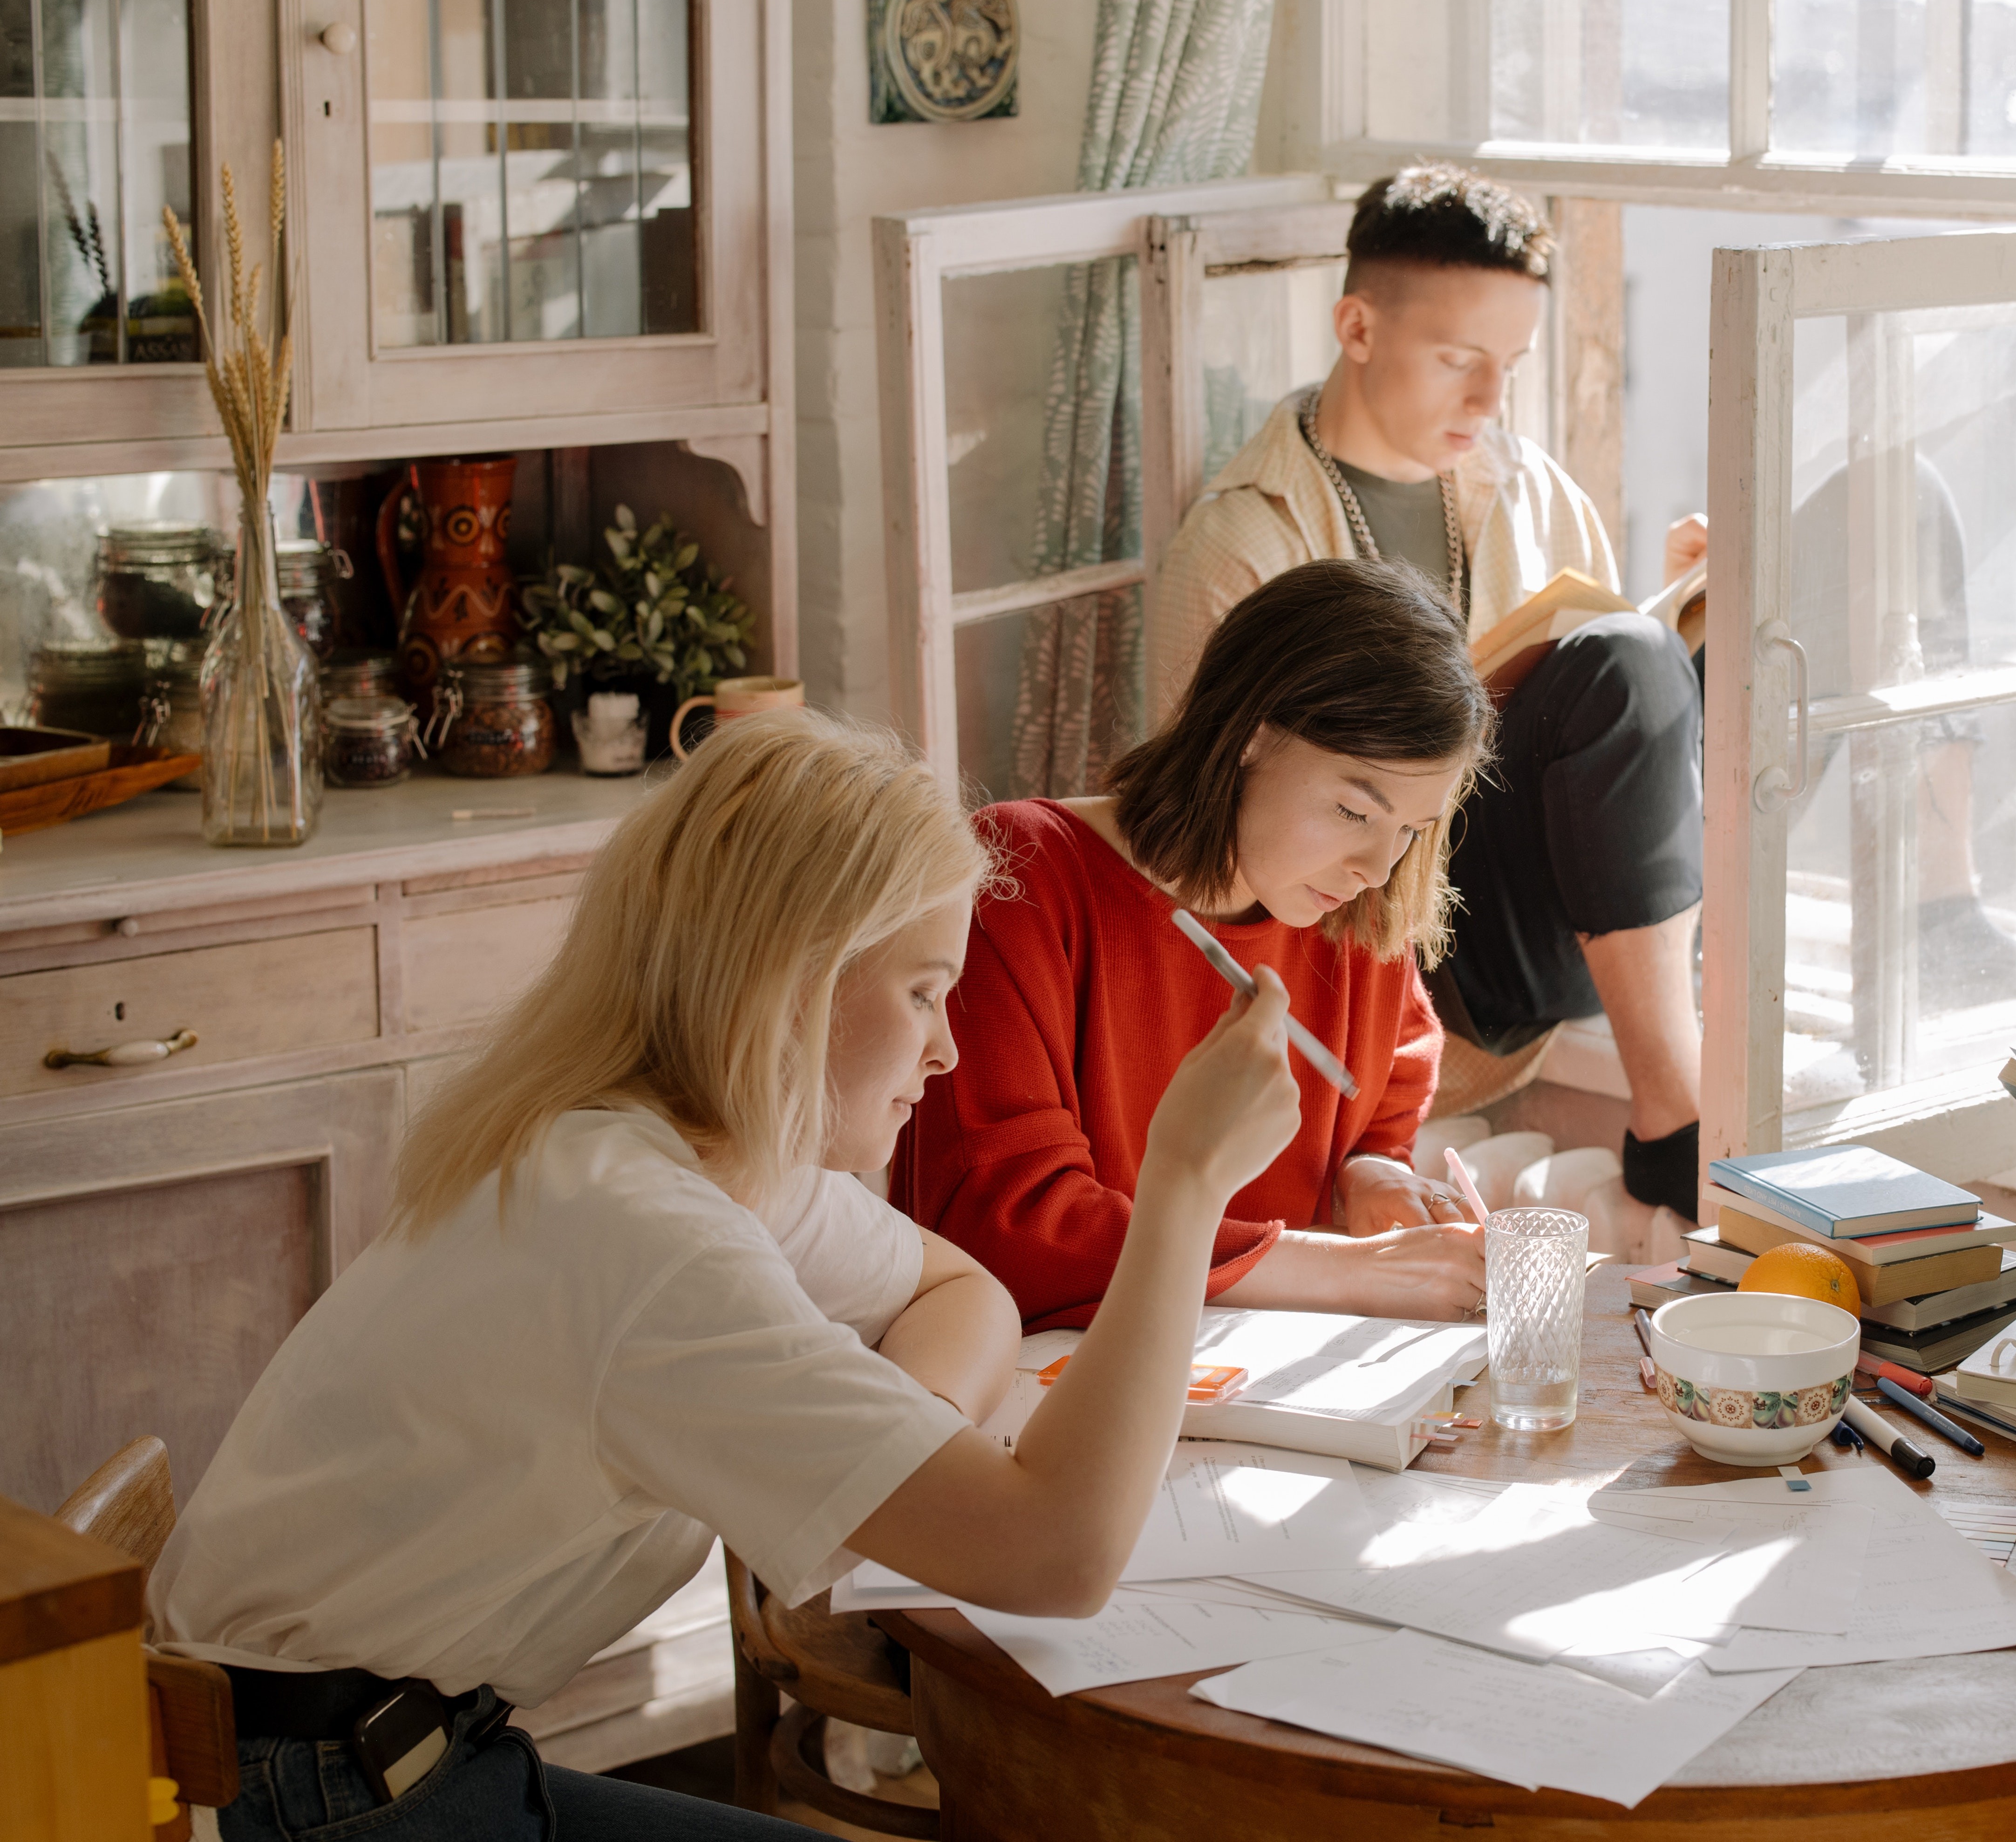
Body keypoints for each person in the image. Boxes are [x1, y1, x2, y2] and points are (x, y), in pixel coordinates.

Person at [151, 709, 1303, 1840]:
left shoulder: (675, 1148)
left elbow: (962, 1290)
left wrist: (905, 1447)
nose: (947, 1046)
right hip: (320, 1792)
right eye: (920, 989)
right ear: (791, 979)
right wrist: (1184, 1185)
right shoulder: (643, 1237)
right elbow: (1059, 1553)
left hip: (383, 1748)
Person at [1148, 163, 1710, 1221]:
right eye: (1458, 359)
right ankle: (1678, 1121)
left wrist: (1687, 612)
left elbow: (1599, 734)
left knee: (1750, 601)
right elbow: (1211, 846)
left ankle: (1694, 1034)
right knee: (1628, 664)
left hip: (1555, 927)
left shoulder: (1532, 486)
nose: (1490, 399)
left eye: (1511, 362)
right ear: (1356, 327)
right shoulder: (1245, 540)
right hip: (1400, 954)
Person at [898, 560, 1497, 1330]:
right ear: (1250, 735)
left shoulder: (1350, 903)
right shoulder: (1025, 877)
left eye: (1411, 830)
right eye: (1354, 811)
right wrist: (1350, 1272)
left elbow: (1387, 1091)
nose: (1379, 866)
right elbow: (1010, 1228)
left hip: (1278, 1375)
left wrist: (1370, 1171)